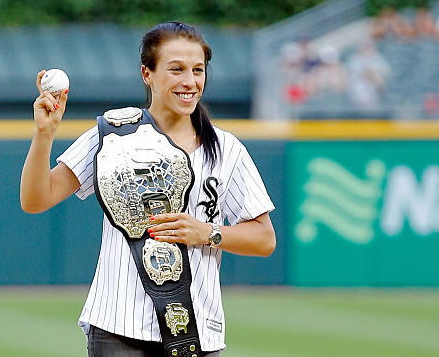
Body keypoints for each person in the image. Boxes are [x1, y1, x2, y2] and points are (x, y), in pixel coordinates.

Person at [20, 21, 276, 356]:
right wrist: (44, 133)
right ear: (147, 74)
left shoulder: (226, 149)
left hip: (195, 331)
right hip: (118, 327)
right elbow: (36, 199)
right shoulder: (112, 133)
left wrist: (208, 232)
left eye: (198, 70)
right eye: (176, 69)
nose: (190, 81)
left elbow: (264, 238)